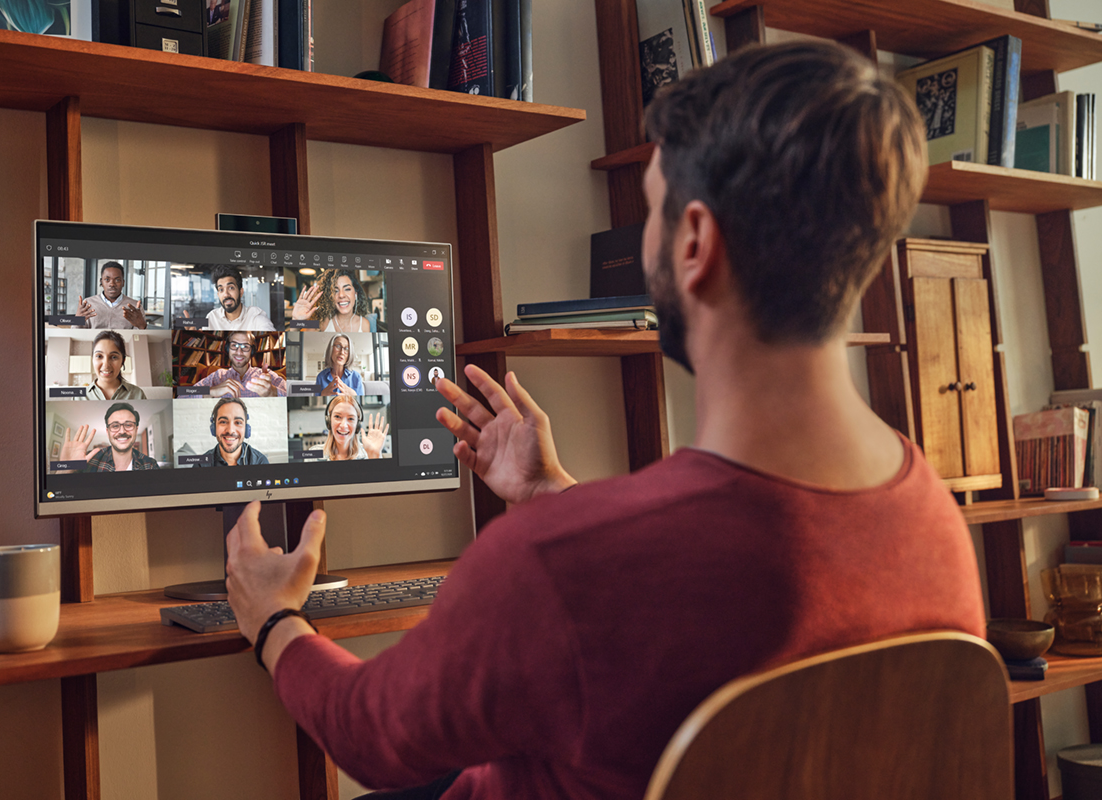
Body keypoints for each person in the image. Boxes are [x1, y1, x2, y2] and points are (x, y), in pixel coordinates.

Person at [223, 41, 986, 800]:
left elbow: (373, 736)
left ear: (694, 243)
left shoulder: (565, 562)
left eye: (649, 210)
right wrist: (557, 497)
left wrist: (273, 619)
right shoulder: (931, 521)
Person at [62, 402, 160, 472]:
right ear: (107, 432)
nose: (122, 431)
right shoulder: (87, 461)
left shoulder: (150, 465)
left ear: (136, 429)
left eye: (129, 425)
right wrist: (65, 469)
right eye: (115, 426)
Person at [192, 331, 286, 398]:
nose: (239, 352)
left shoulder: (266, 375)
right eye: (234, 345)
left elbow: (295, 396)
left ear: (252, 351)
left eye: (245, 346)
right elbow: (182, 394)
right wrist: (210, 391)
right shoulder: (217, 376)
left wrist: (272, 392)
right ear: (228, 349)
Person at [291, 268, 377, 333]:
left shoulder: (365, 324)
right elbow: (295, 339)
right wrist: (295, 321)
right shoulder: (323, 322)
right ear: (330, 297)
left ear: (356, 294)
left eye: (347, 289)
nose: (341, 295)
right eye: (335, 291)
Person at [196, 397, 269, 466]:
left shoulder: (260, 462)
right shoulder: (201, 465)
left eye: (238, 422)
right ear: (214, 428)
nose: (230, 431)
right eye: (223, 422)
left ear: (246, 429)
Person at [76, 262, 148, 330]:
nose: (112, 284)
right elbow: (75, 334)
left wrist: (142, 326)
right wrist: (76, 321)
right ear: (101, 282)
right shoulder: (87, 303)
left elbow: (140, 339)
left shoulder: (135, 307)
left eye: (117, 280)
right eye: (107, 279)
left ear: (123, 283)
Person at [205, 265, 276, 331]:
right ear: (218, 294)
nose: (226, 294)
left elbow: (267, 328)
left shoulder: (255, 316)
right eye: (221, 289)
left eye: (231, 288)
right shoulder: (211, 316)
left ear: (241, 292)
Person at [320, 395, 387, 461]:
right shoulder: (314, 453)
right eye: (337, 416)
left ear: (358, 424)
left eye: (351, 418)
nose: (343, 425)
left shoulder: (367, 454)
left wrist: (375, 457)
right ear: (329, 420)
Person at [84, 330, 146, 401]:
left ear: (123, 361)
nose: (106, 365)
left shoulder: (138, 394)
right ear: (93, 359)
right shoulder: (79, 396)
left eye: (114, 357)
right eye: (99, 356)